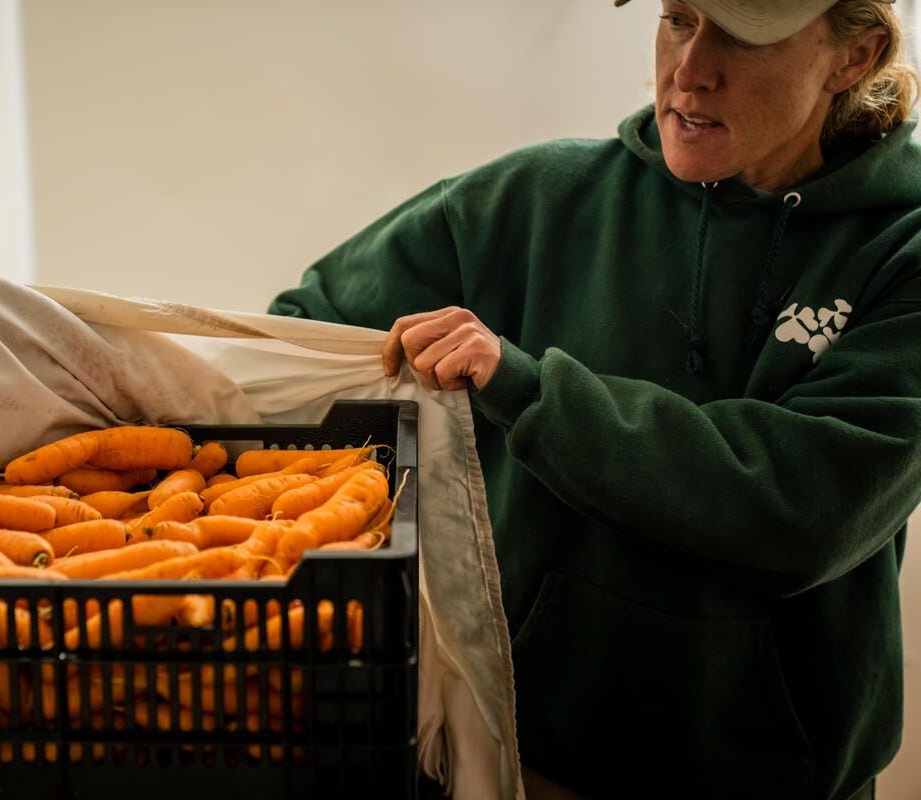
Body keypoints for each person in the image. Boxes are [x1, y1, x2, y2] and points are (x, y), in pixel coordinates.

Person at [267, 1, 921, 798]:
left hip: (772, 779)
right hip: (510, 763)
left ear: (855, 57)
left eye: (746, 38)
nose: (691, 69)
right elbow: (302, 336)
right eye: (680, 17)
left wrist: (526, 388)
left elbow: (804, 505)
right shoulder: (535, 199)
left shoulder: (901, 252)